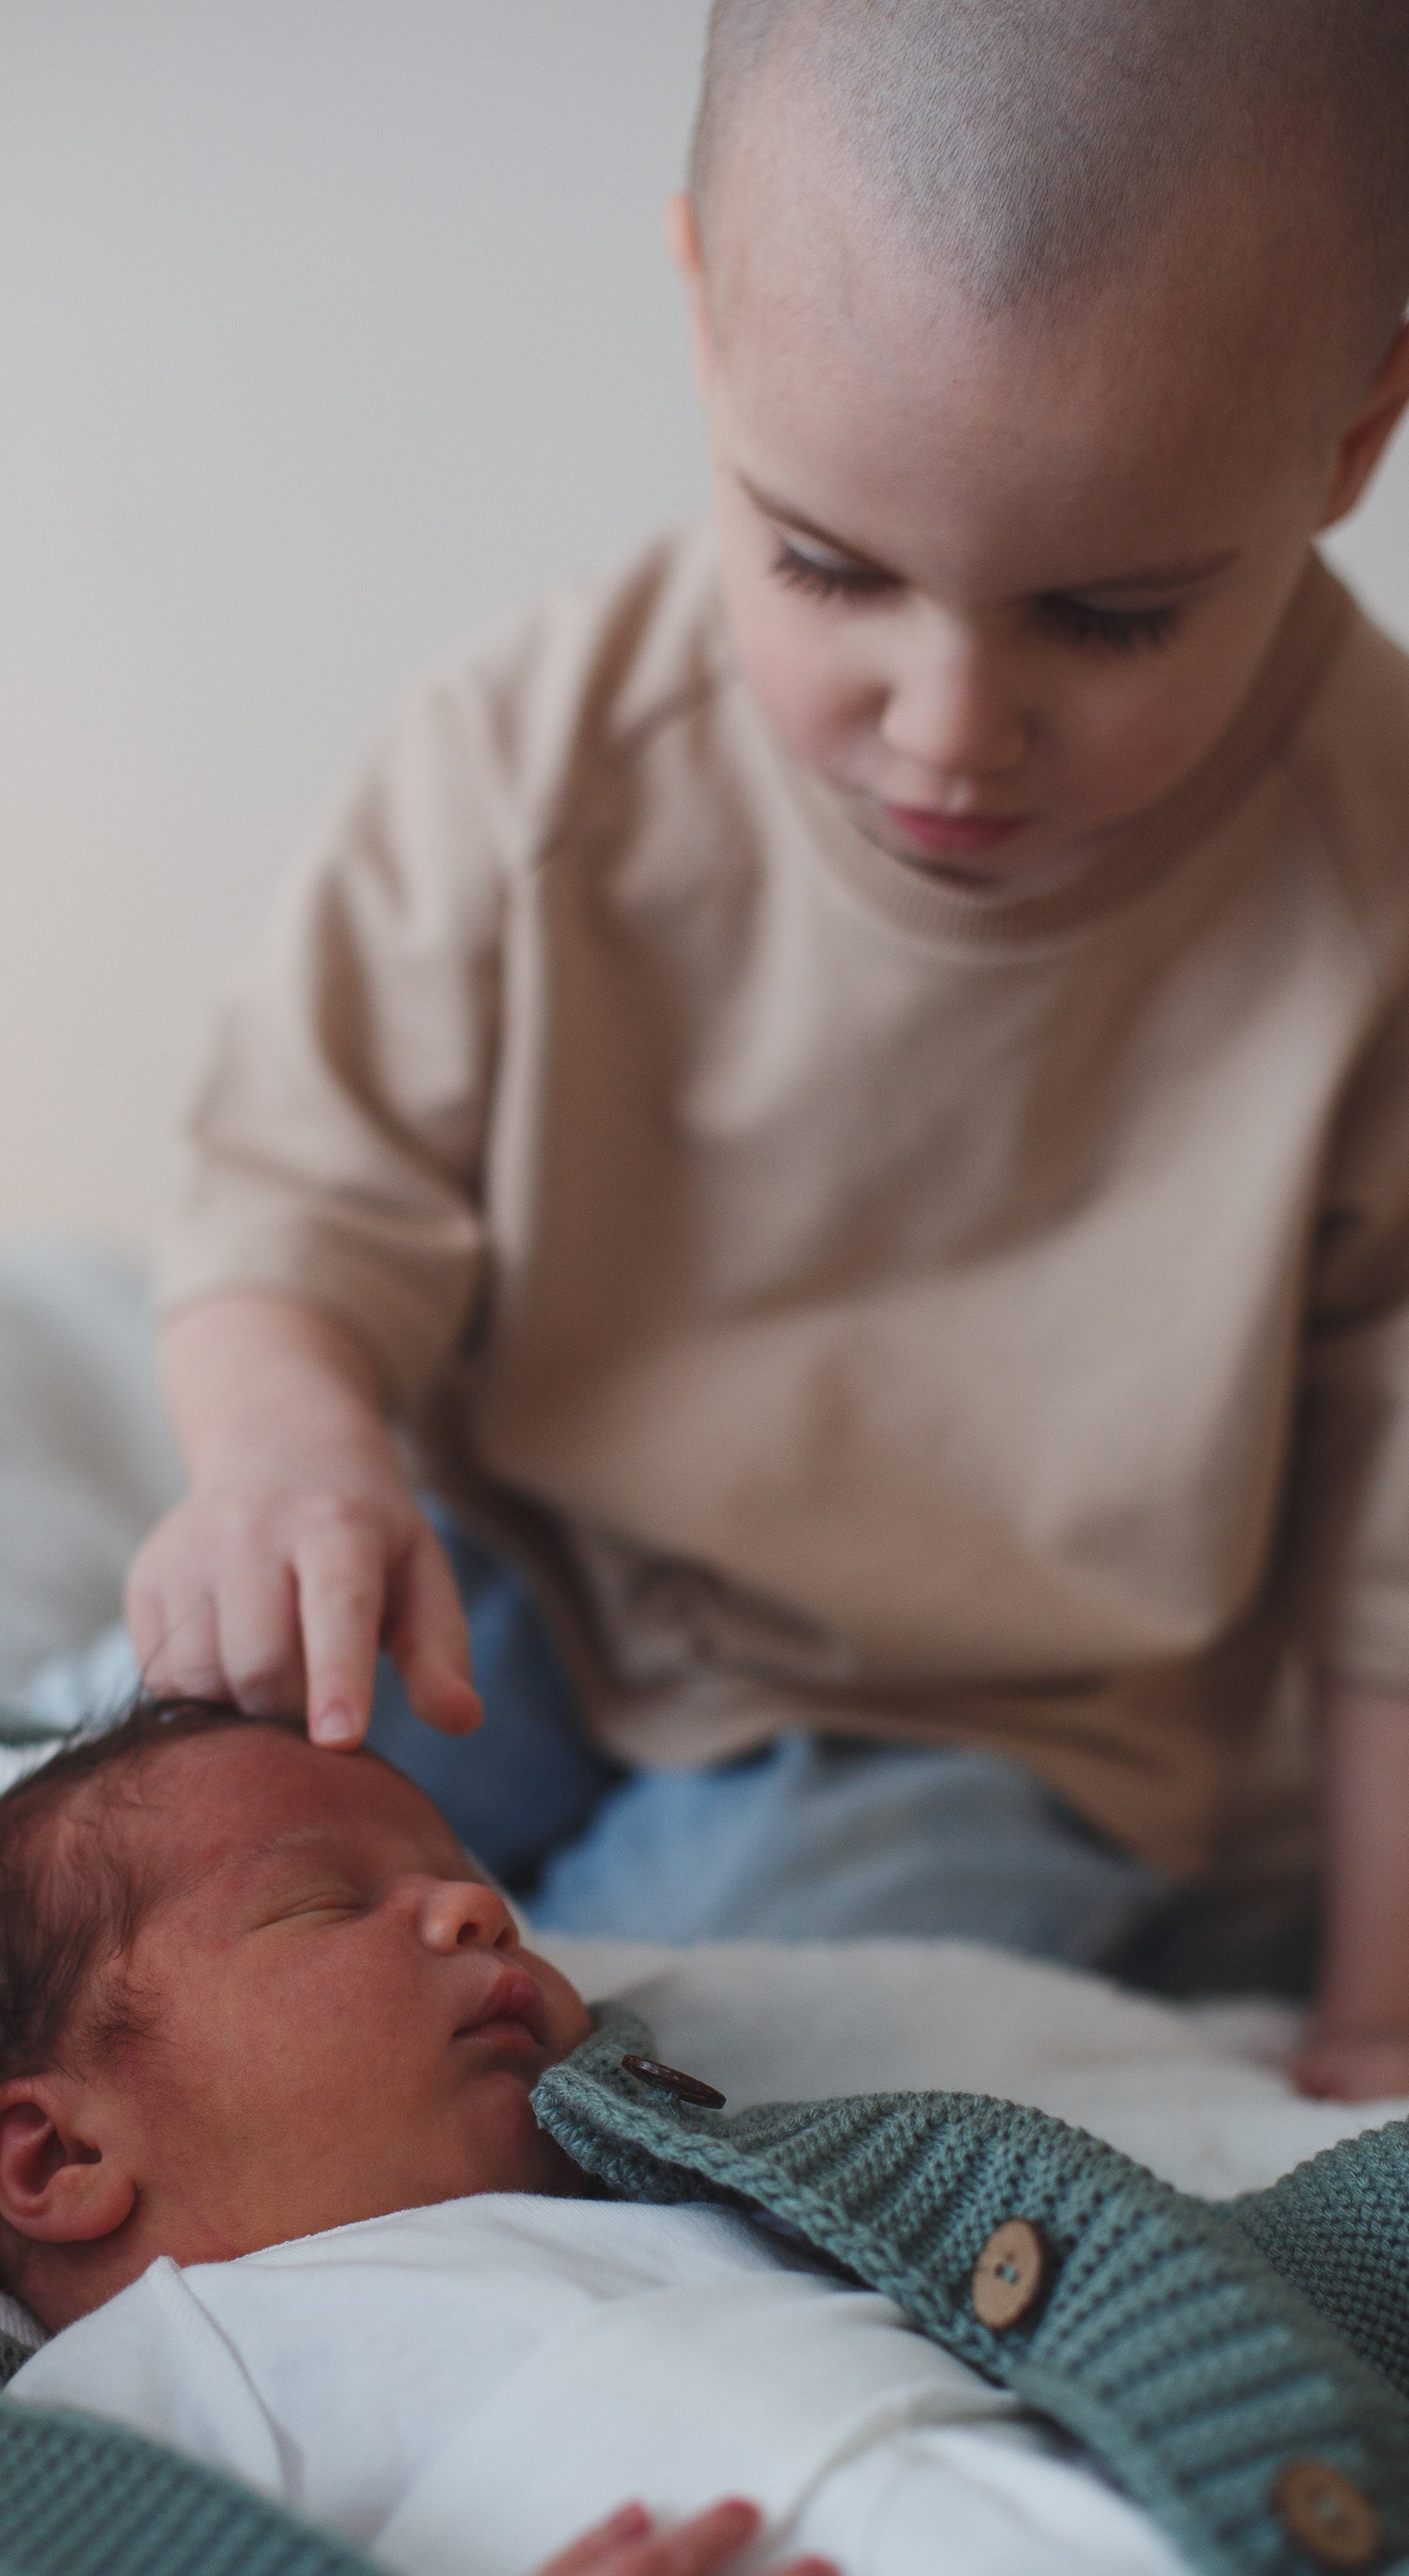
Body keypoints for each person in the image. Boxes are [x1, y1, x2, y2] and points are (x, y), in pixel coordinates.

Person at [126, 0, 1409, 2096]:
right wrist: (291, 1455)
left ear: (1353, 439)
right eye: (827, 567)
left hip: (999, 1732)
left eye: (1110, 617)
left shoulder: (1371, 881)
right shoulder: (546, 756)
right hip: (511, 1590)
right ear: (707, 318)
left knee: (674, 2046)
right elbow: (293, 1198)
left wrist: (1380, 2015)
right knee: (101, 1808)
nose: (946, 724)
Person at [0, 1703, 1322, 2576]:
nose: (475, 1909)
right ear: (63, 2153)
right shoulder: (152, 2374)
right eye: (323, 1901)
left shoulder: (709, 2205)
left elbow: (1157, 2274)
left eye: (473, 1883)